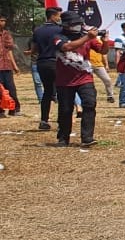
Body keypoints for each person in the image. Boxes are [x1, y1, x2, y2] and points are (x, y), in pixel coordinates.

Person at [50, 12, 102, 146]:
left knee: (90, 103)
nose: (77, 27)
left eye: (79, 24)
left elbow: (103, 50)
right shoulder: (57, 37)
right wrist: (87, 37)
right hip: (64, 80)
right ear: (66, 25)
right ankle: (63, 137)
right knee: (66, 110)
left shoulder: (86, 36)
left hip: (85, 77)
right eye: (74, 24)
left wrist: (105, 40)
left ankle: (87, 137)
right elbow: (66, 47)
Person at [32, 8, 64, 130]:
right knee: (62, 91)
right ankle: (62, 120)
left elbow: (34, 49)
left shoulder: (38, 31)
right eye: (58, 16)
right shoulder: (59, 30)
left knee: (47, 91)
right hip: (56, 62)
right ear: (53, 16)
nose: (59, 18)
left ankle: (44, 120)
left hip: (42, 63)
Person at [86, 30, 115, 104]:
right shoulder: (86, 40)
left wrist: (106, 64)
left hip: (98, 64)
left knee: (107, 80)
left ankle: (110, 96)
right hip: (88, 64)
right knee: (88, 83)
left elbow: (104, 53)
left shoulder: (100, 41)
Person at [0, 14, 21, 117]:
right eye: (0, 21)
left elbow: (9, 51)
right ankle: (1, 110)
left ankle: (14, 108)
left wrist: (15, 66)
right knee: (0, 89)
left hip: (6, 66)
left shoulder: (6, 34)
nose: (2, 23)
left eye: (3, 21)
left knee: (11, 88)